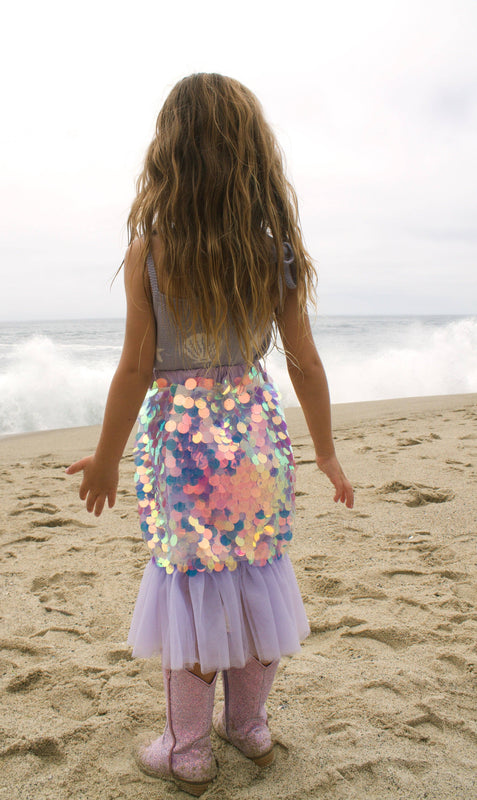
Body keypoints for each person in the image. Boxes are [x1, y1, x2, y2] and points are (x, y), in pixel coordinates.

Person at [66, 73, 353, 796]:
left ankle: (187, 748)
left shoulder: (150, 250)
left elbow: (135, 369)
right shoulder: (272, 249)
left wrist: (105, 461)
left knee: (192, 587)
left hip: (185, 451)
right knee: (256, 574)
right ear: (250, 155)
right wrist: (324, 451)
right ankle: (248, 727)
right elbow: (306, 365)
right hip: (255, 435)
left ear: (170, 155)